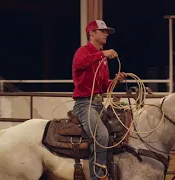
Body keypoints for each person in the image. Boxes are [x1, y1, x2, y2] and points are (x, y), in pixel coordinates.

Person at [72, 20, 126, 180]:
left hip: (98, 104)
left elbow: (103, 86)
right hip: (84, 104)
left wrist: (116, 81)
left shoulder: (102, 60)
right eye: (102, 31)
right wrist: (102, 54)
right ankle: (98, 176)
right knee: (101, 135)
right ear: (92, 33)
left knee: (120, 130)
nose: (106, 34)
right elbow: (79, 63)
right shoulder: (83, 52)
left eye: (106, 32)